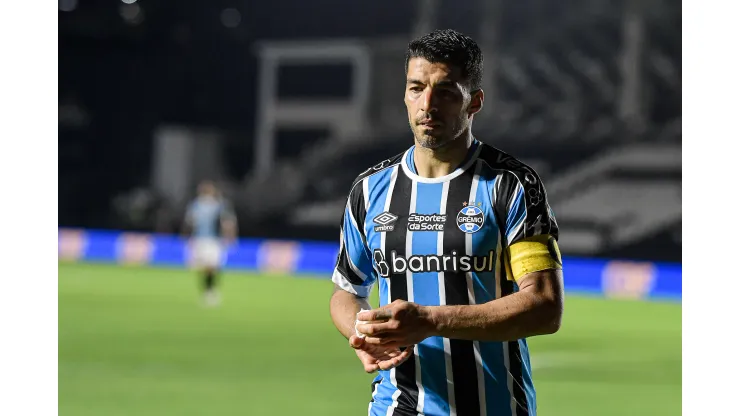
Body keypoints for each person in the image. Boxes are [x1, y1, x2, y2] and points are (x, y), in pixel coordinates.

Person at [329, 29, 564, 416]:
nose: (428, 105)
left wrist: (430, 320)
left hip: (494, 406)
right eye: (416, 88)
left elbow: (544, 305)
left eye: (446, 91)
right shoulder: (370, 190)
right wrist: (361, 332)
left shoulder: (512, 185)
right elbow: (346, 289)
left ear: (475, 102)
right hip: (396, 406)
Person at [182, 180, 237, 306]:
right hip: (206, 240)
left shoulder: (213, 205)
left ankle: (209, 291)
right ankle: (209, 291)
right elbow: (228, 224)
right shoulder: (204, 205)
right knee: (208, 267)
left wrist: (186, 236)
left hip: (210, 240)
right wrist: (230, 237)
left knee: (210, 267)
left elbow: (189, 223)